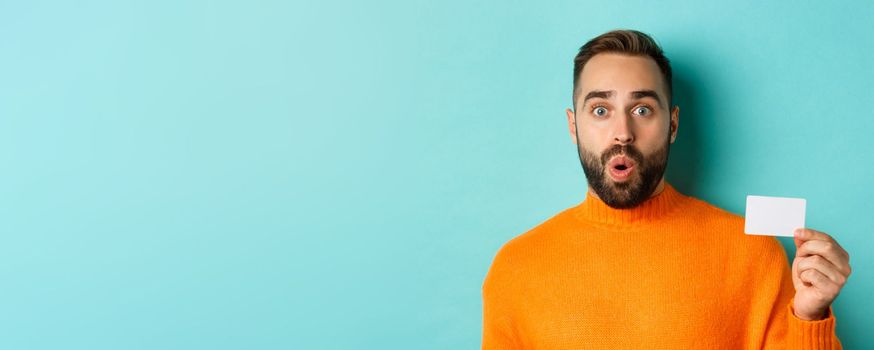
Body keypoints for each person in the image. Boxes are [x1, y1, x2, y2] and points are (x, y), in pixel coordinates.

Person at [481, 29, 851, 349]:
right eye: (600, 110)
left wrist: (809, 317)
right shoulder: (515, 269)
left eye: (642, 109)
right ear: (573, 125)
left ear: (672, 125)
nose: (622, 132)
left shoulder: (754, 255)